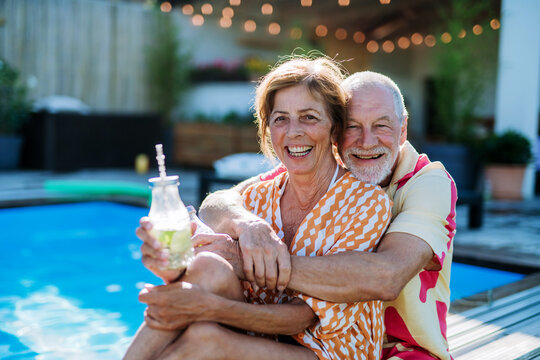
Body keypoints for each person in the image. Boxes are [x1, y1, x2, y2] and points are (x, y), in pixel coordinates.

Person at [125, 58, 392, 359]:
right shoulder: (256, 199)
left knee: (207, 339)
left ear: (335, 128)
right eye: (281, 119)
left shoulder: (365, 204)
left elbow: (301, 317)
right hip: (262, 336)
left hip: (329, 352)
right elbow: (202, 252)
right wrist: (169, 266)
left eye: (309, 117)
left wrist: (209, 308)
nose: (293, 132)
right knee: (207, 268)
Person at [196, 71, 457, 359]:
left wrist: (253, 264)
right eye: (353, 126)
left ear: (403, 129)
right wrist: (247, 224)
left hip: (402, 350)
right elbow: (221, 201)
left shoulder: (428, 181)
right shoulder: (314, 169)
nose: (367, 141)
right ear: (336, 132)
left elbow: (387, 276)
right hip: (317, 339)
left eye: (381, 125)